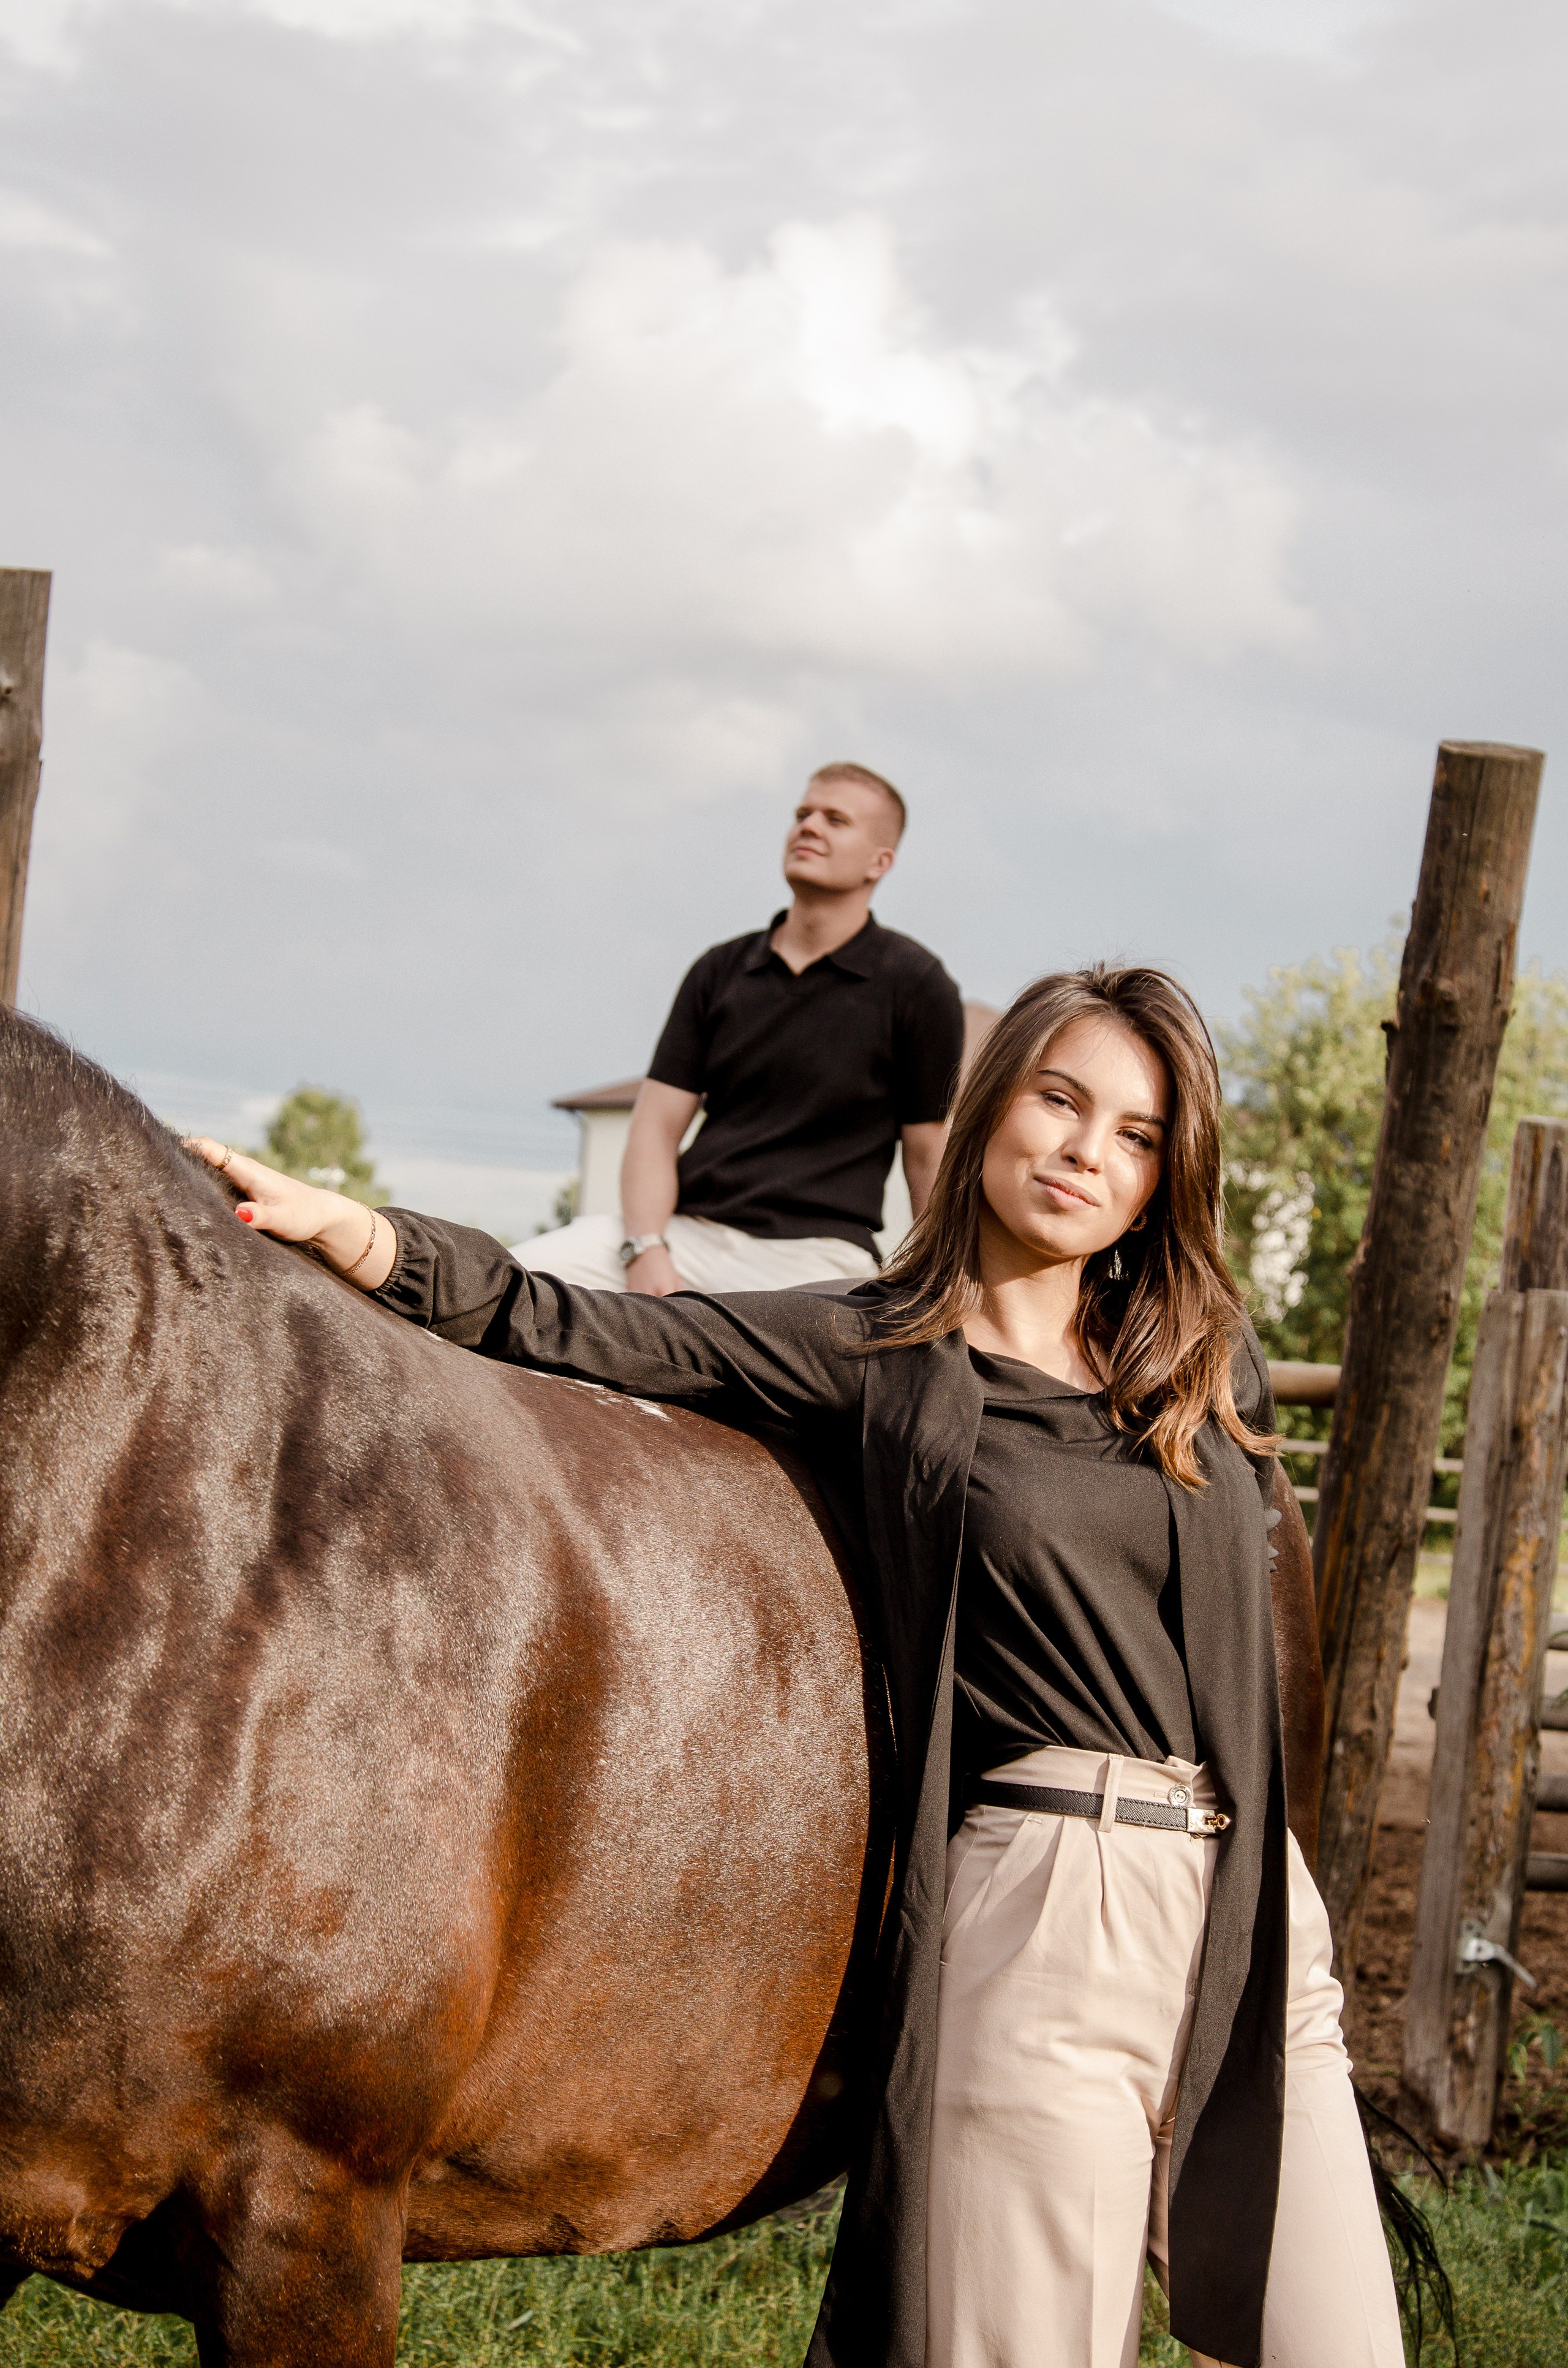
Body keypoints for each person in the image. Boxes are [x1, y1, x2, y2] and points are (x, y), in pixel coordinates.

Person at [192, 963, 1402, 2368]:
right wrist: (369, 1238)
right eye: (1060, 1099)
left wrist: (1269, 1913)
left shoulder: (1198, 1363)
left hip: (1253, 1920)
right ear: (990, 1103)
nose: (1085, 1149)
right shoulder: (874, 1345)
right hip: (1045, 1917)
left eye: (1134, 1133)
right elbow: (573, 1323)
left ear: (1161, 1176)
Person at [524, 761, 965, 1295]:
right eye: (802, 813)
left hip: (818, 1258)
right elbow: (656, 1126)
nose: (808, 826)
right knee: (503, 1278)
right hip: (686, 1233)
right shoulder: (720, 969)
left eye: (835, 819)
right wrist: (645, 1248)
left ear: (880, 861)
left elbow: (928, 1155)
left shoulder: (918, 983)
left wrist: (940, 1285)